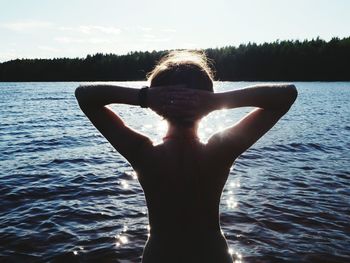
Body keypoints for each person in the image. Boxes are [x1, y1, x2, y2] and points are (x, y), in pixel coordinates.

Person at [75, 50, 297, 263]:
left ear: (156, 107)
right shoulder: (219, 151)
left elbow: (84, 96)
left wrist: (143, 97)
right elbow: (287, 95)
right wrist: (215, 102)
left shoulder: (143, 152)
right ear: (206, 101)